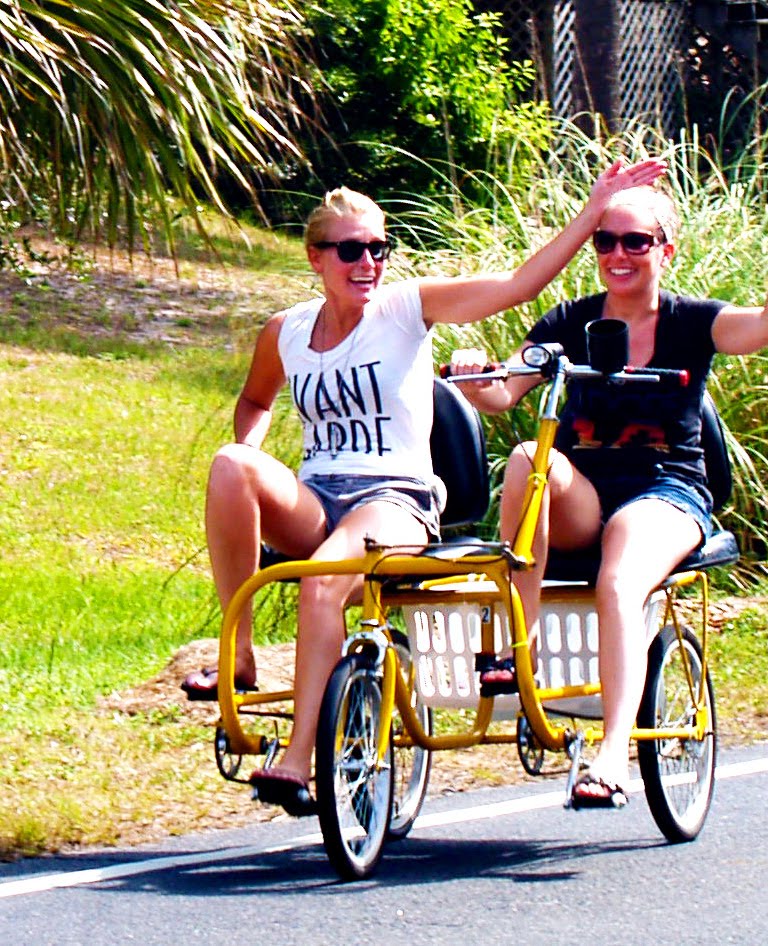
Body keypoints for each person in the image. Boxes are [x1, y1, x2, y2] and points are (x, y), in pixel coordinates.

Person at [180, 158, 670, 815]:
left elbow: (519, 285)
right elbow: (255, 400)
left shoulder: (406, 309)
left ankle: (298, 762)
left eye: (378, 249)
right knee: (229, 464)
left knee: (323, 585)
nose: (368, 264)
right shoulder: (287, 330)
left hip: (394, 500)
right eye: (351, 251)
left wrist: (592, 214)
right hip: (318, 498)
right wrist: (253, 444)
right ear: (315, 257)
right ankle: (239, 658)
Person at [451, 157, 768, 807]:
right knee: (526, 458)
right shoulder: (569, 323)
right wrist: (473, 372)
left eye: (635, 241)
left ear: (664, 250)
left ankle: (611, 756)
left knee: (620, 578)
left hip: (666, 491)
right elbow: (501, 391)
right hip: (585, 493)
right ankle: (519, 648)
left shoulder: (692, 322)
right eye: (606, 241)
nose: (618, 255)